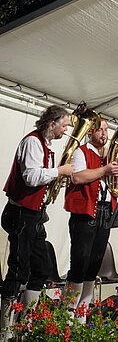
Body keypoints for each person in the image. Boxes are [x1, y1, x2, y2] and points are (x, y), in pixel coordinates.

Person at [0, 104, 73, 329]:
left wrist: (56, 179)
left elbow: (41, 178)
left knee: (41, 268)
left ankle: (26, 320)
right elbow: (31, 177)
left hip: (34, 215)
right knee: (18, 270)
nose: (66, 130)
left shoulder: (46, 146)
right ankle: (5, 327)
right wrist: (59, 172)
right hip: (21, 213)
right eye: (64, 125)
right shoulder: (33, 142)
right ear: (51, 124)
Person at [63, 118, 118, 322]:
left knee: (94, 265)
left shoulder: (109, 156)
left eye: (106, 130)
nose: (105, 134)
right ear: (91, 132)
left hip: (106, 211)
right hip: (85, 213)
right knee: (80, 263)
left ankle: (81, 318)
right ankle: (67, 316)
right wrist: (105, 170)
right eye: (100, 130)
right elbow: (77, 177)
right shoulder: (81, 152)